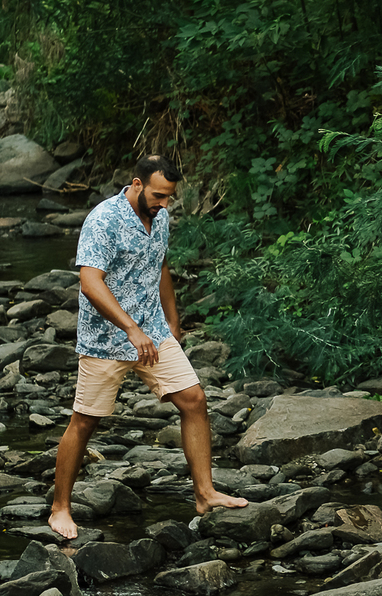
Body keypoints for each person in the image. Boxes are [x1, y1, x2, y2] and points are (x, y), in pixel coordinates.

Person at [47, 155, 247, 539]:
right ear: (136, 184)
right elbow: (90, 283)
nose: (164, 204)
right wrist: (131, 329)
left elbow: (160, 266)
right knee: (86, 421)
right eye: (158, 195)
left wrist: (171, 320)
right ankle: (60, 509)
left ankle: (205, 494)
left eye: (169, 197)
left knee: (194, 400)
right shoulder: (104, 220)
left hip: (153, 334)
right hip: (106, 340)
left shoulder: (161, 217)